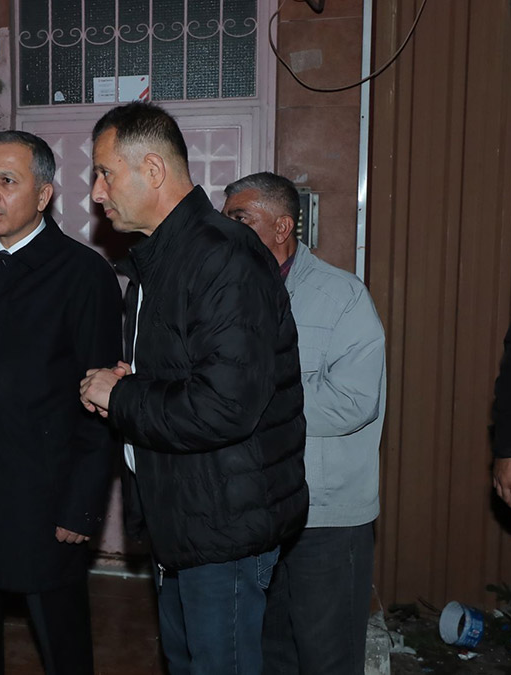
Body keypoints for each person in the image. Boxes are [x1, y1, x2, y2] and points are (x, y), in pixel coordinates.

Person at [78, 102, 308, 675]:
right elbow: (189, 371)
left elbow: (225, 406)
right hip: (185, 516)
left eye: (105, 173)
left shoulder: (223, 256)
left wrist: (121, 397)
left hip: (224, 524)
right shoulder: (163, 257)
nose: (97, 193)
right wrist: (133, 383)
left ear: (153, 169)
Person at [0, 129, 122, 674]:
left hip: (43, 496)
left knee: (61, 644)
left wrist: (82, 503)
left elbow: (102, 401)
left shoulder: (83, 275)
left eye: (8, 181)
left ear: (43, 195)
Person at [222, 172, 386, 674]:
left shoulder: (342, 296)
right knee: (270, 654)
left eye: (240, 218)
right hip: (257, 512)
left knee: (326, 657)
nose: (226, 230)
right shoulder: (226, 295)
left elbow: (354, 402)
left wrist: (253, 400)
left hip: (326, 518)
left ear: (282, 227)